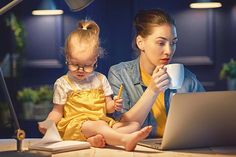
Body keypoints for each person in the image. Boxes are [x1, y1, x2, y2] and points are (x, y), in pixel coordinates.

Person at [38, 19, 152, 151]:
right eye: (75, 64)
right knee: (98, 126)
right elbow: (57, 111)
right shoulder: (63, 83)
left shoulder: (100, 79)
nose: (80, 70)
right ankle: (124, 141)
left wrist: (114, 105)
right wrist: (48, 123)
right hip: (77, 126)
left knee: (134, 125)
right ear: (67, 57)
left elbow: (108, 108)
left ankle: (94, 140)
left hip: (102, 122)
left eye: (87, 66)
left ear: (95, 60)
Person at [108, 9, 205, 138]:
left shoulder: (188, 79)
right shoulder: (120, 74)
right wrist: (152, 91)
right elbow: (122, 126)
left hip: (180, 146)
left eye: (173, 43)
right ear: (140, 43)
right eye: (161, 43)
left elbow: (206, 120)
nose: (169, 51)